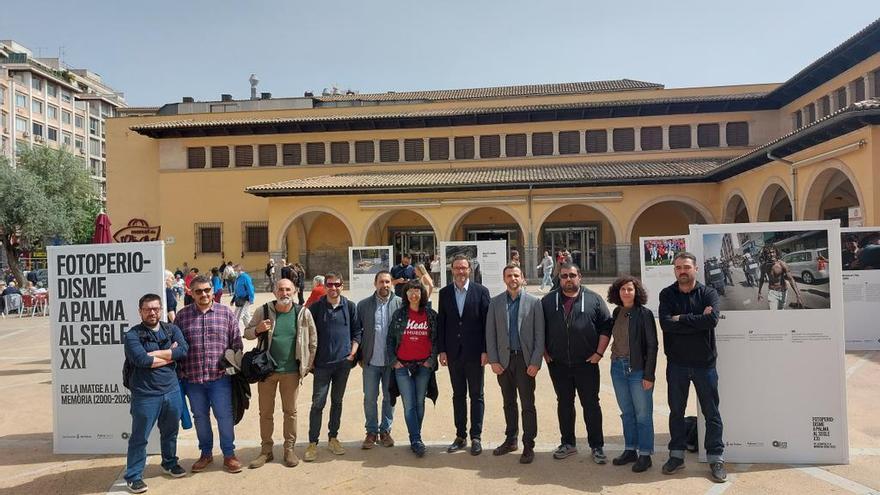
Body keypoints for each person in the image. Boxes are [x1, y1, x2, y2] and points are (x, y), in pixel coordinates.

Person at [658, 252, 726, 483]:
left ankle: (716, 457)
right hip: (676, 364)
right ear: (675, 270)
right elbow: (666, 324)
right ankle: (676, 456)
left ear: (696, 268)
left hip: (704, 365)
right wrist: (696, 319)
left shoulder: (709, 293)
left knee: (711, 413)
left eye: (686, 267)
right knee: (676, 411)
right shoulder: (667, 294)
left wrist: (681, 319)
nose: (682, 271)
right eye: (678, 267)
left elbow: (712, 320)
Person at [542, 262, 612, 464]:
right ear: (559, 278)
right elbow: (539, 329)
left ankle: (597, 446)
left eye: (572, 275)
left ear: (579, 276)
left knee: (591, 404)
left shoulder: (594, 299)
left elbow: (606, 327)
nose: (568, 279)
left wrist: (599, 353)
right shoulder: (548, 301)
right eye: (564, 276)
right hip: (558, 364)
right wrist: (545, 354)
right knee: (564, 403)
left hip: (587, 363)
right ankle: (568, 443)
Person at [244, 279, 317, 469]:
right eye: (280, 289)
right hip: (266, 372)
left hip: (291, 372)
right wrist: (258, 329)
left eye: (288, 290)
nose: (284, 293)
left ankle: (289, 450)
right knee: (265, 413)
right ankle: (266, 451)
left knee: (290, 412)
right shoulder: (264, 310)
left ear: (294, 292)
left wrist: (306, 367)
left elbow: (312, 341)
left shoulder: (302, 313)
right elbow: (247, 333)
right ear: (274, 292)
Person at [175, 275, 244, 474]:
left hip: (220, 378)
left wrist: (231, 367)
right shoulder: (183, 316)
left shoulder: (226, 313)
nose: (203, 294)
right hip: (193, 379)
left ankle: (229, 454)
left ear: (213, 291)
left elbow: (236, 343)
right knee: (200, 417)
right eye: (198, 291)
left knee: (224, 417)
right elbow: (178, 347)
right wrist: (181, 373)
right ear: (191, 293)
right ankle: (206, 453)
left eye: (207, 290)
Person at [123, 293, 189, 493]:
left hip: (172, 391)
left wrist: (156, 355)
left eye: (156, 308)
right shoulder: (132, 335)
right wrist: (170, 355)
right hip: (145, 395)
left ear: (161, 309)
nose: (152, 312)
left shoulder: (172, 329)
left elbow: (184, 351)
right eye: (147, 309)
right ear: (140, 312)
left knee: (170, 432)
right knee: (140, 436)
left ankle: (169, 463)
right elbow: (142, 361)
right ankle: (133, 476)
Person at [485, 264, 544, 464]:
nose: (513, 279)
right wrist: (493, 360)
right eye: (509, 275)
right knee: (508, 402)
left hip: (525, 361)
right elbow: (490, 334)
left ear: (523, 277)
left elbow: (540, 335)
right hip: (503, 361)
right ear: (504, 279)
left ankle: (528, 443)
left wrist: (535, 361)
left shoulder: (534, 302)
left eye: (516, 275)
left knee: (527, 404)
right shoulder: (495, 303)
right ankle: (511, 439)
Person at [304, 272, 363, 462]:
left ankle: (333, 437)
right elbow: (306, 334)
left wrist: (352, 354)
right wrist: (310, 359)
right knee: (318, 403)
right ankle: (313, 442)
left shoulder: (350, 306)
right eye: (330, 284)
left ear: (342, 285)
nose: (333, 288)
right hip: (321, 365)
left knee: (337, 402)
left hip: (342, 365)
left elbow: (357, 332)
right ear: (325, 286)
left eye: (337, 284)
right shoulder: (316, 307)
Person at [437, 254, 491, 455]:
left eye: (464, 268)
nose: (461, 272)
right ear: (452, 270)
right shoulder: (444, 293)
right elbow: (442, 323)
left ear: (470, 270)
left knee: (477, 395)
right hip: (453, 354)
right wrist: (442, 349)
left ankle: (476, 436)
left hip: (476, 353)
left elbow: (487, 324)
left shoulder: (481, 292)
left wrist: (486, 350)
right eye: (457, 268)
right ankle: (460, 436)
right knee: (458, 395)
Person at [605, 276, 658, 473]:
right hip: (617, 367)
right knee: (627, 412)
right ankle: (630, 450)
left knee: (643, 414)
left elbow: (652, 345)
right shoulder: (618, 311)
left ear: (636, 292)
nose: (626, 292)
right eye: (622, 289)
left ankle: (645, 454)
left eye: (630, 289)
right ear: (617, 292)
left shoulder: (644, 314)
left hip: (637, 369)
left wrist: (649, 375)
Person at [388, 279, 439, 457]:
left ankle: (416, 436)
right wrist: (394, 361)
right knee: (409, 404)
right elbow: (390, 340)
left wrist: (430, 361)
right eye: (410, 291)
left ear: (422, 293)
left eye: (417, 290)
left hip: (423, 366)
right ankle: (416, 439)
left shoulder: (431, 315)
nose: (414, 294)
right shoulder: (399, 315)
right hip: (402, 365)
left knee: (419, 403)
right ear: (406, 294)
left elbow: (436, 340)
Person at [356, 271, 403, 450]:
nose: (385, 285)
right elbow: (357, 332)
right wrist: (360, 355)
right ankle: (371, 431)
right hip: (370, 361)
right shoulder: (363, 306)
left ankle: (385, 431)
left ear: (392, 283)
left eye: (388, 282)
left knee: (389, 397)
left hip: (392, 363)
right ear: (375, 283)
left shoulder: (400, 304)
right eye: (381, 282)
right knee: (369, 398)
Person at [231, 264, 255, 331]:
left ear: (239, 269)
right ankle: (250, 330)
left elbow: (250, 288)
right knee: (246, 317)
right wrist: (233, 300)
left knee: (237, 317)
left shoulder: (245, 277)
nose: (234, 271)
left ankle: (237, 333)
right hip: (239, 299)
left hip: (245, 299)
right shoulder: (238, 278)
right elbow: (236, 290)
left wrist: (251, 298)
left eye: (235, 269)